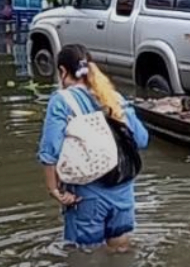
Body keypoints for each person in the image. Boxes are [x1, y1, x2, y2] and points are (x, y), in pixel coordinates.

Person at [39, 44, 150, 252]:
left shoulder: (61, 101)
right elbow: (142, 139)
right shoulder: (114, 98)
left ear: (62, 72)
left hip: (87, 195)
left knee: (86, 259)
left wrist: (54, 190)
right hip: (123, 192)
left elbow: (49, 152)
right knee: (121, 252)